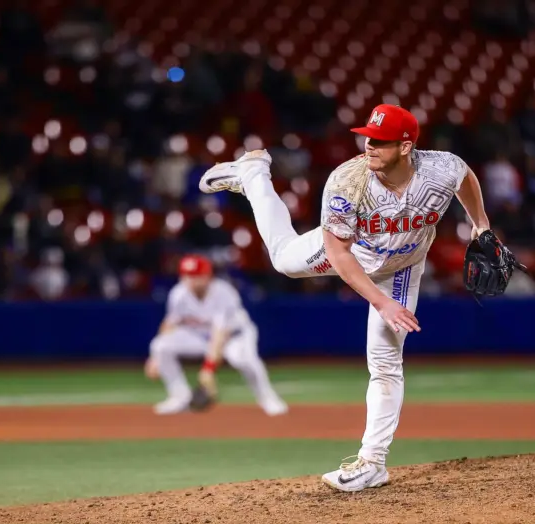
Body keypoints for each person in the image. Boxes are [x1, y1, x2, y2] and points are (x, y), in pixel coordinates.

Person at [199, 104, 502, 492]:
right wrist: (382, 302)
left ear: (406, 146)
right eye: (367, 137)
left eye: (380, 141)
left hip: (404, 265)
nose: (369, 145)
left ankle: (373, 462)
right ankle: (254, 172)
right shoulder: (348, 182)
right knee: (283, 260)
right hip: (354, 252)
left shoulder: (441, 168)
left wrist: (481, 225)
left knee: (386, 362)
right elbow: (339, 253)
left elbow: (465, 178)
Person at [144, 254, 288, 417]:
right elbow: (170, 323)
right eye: (187, 275)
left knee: (244, 360)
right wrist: (154, 359)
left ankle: (267, 398)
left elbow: (220, 334)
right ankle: (179, 398)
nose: (190, 280)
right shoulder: (178, 293)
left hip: (235, 336)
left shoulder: (223, 292)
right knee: (160, 346)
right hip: (200, 337)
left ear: (207, 275)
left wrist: (208, 369)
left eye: (196, 275)